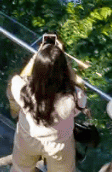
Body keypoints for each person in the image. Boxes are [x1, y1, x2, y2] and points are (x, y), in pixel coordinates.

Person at [9, 33, 86, 172]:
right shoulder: (72, 99)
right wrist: (64, 59)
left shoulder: (22, 90)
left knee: (20, 169)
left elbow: (22, 76)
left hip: (27, 136)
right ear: (63, 71)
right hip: (59, 143)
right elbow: (79, 87)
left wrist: (37, 56)